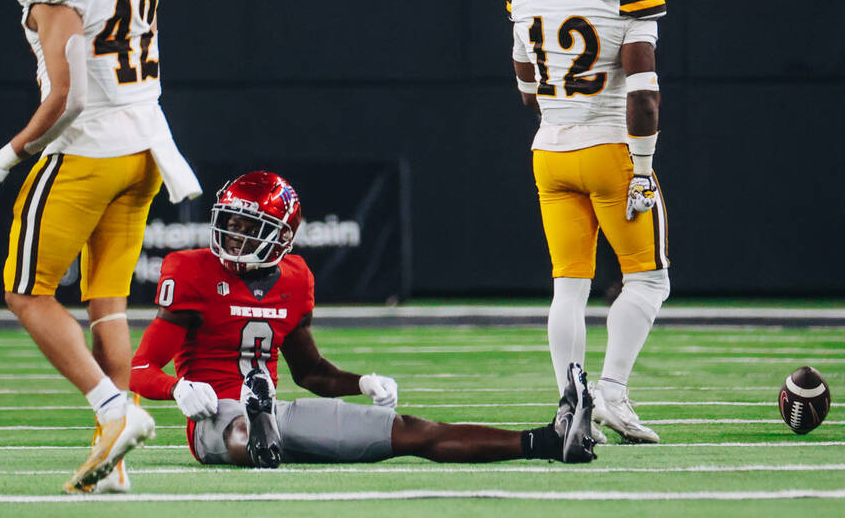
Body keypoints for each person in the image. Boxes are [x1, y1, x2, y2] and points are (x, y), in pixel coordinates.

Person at [0, 0, 201, 493]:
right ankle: (114, 465)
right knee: (108, 304)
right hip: (147, 146)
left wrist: (6, 156)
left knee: (25, 291)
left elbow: (67, 96)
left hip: (89, 149)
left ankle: (113, 409)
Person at [130, 171, 595, 467]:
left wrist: (363, 383)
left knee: (412, 432)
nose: (232, 239)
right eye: (229, 224)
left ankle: (546, 441)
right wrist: (179, 388)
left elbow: (310, 372)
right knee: (239, 428)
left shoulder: (294, 278)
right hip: (216, 417)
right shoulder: (192, 270)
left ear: (282, 238)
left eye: (248, 230)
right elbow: (139, 368)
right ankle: (257, 441)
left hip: (278, 413)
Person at [505, 0, 670, 444]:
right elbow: (643, 96)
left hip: (549, 152)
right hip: (610, 151)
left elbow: (527, 89)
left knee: (569, 288)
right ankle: (613, 392)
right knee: (647, 278)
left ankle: (570, 406)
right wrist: (643, 168)